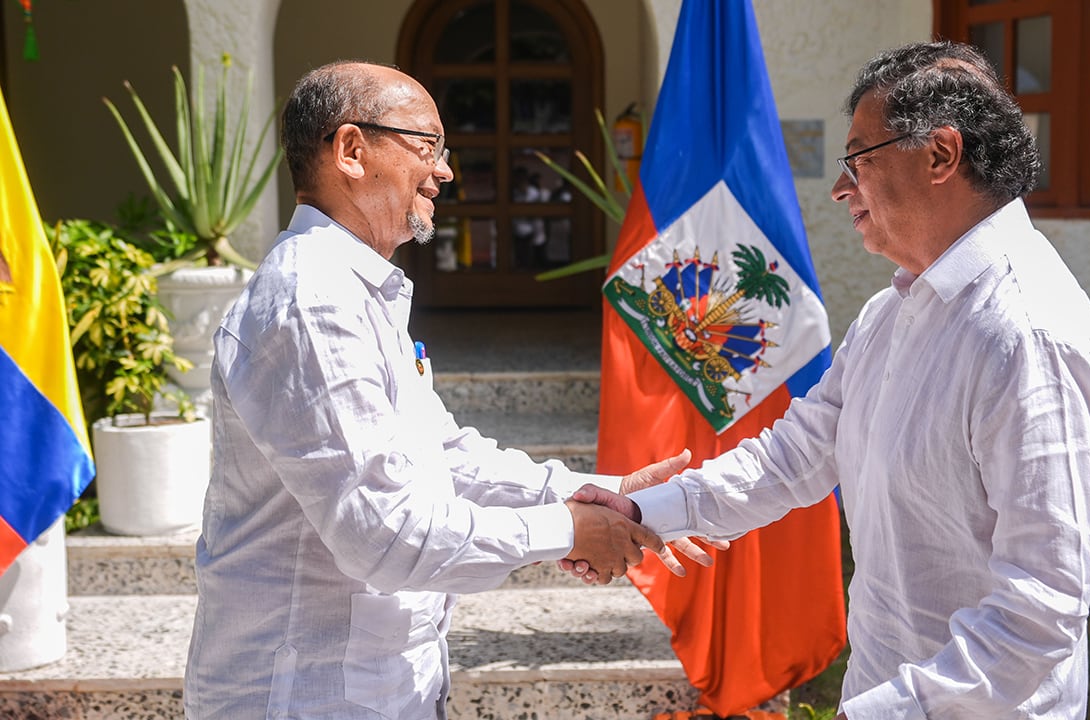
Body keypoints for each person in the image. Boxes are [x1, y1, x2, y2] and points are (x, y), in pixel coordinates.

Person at [183, 60, 707, 719]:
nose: (445, 171)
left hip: (375, 689)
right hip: (303, 696)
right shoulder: (311, 303)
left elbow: (448, 456)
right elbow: (386, 536)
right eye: (427, 145)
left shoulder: (354, 291)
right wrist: (569, 529)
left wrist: (596, 494)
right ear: (351, 150)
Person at [610, 41, 1090, 719]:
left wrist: (884, 711)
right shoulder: (895, 309)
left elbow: (1040, 611)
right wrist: (644, 513)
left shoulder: (1025, 334)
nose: (842, 187)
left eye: (859, 160)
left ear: (940, 155)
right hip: (883, 689)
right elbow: (796, 456)